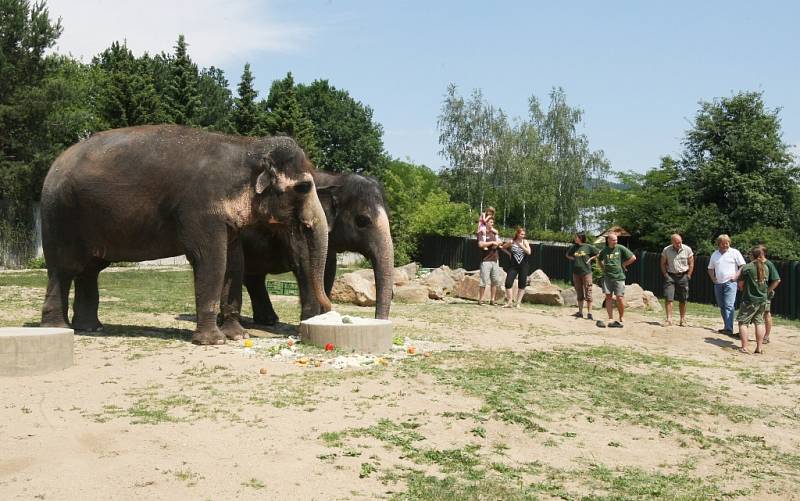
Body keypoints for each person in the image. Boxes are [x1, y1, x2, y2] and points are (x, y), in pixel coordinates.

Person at [707, 234, 745, 336]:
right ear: (718, 244)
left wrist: (736, 276)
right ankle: (726, 326)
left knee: (729, 305)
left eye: (727, 243)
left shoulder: (735, 252)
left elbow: (742, 266)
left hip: (730, 282)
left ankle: (729, 329)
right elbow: (710, 268)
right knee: (722, 305)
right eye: (723, 243)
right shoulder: (714, 254)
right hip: (718, 283)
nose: (725, 245)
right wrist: (713, 279)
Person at [596, 233, 636, 328]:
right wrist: (603, 268)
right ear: (608, 240)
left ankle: (621, 316)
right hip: (607, 277)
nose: (616, 241)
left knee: (619, 298)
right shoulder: (605, 250)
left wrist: (624, 264)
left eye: (616, 240)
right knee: (608, 297)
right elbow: (599, 259)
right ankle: (610, 317)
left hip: (619, 277)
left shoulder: (620, 248)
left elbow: (633, 258)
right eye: (614, 240)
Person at [736, 246, 770, 354]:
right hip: (762, 300)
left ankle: (744, 347)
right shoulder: (766, 267)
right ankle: (759, 348)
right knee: (759, 322)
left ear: (752, 255)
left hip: (749, 300)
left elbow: (740, 284)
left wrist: (742, 287)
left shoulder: (747, 267)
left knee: (743, 323)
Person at [660, 234, 694, 326]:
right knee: (668, 297)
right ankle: (669, 319)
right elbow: (662, 263)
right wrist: (665, 275)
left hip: (683, 276)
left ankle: (682, 319)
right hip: (670, 276)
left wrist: (689, 275)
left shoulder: (687, 249)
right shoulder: (666, 250)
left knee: (683, 299)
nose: (679, 244)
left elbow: (691, 263)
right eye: (676, 242)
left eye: (680, 242)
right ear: (672, 242)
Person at [565, 232, 599, 319]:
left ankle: (590, 313)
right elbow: (567, 255)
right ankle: (580, 312)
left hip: (586, 273)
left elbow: (599, 253)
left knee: (588, 292)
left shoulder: (588, 247)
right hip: (576, 273)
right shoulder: (574, 247)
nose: (575, 238)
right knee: (579, 293)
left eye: (576, 237)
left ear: (581, 238)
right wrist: (574, 259)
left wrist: (591, 259)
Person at [500, 227, 531, 308]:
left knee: (522, 284)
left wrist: (521, 246)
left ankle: (518, 303)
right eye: (521, 234)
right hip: (513, 266)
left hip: (523, 266)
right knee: (508, 283)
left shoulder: (525, 242)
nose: (522, 236)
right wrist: (509, 254)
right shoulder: (512, 241)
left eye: (524, 234)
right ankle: (510, 302)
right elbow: (503, 247)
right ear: (517, 234)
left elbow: (529, 252)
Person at [477, 217, 503, 305]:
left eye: (493, 222)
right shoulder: (482, 232)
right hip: (486, 260)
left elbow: (500, 242)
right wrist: (492, 243)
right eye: (491, 222)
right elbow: (480, 244)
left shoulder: (494, 233)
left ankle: (492, 300)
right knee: (483, 281)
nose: (492, 224)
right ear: (486, 223)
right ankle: (480, 300)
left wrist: (497, 243)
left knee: (494, 281)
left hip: (495, 260)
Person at [759, 245, 782, 344]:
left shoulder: (769, 264)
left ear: (762, 253)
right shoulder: (754, 263)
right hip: (754, 294)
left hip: (764, 294)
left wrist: (767, 291)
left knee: (766, 313)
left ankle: (766, 336)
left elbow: (777, 280)